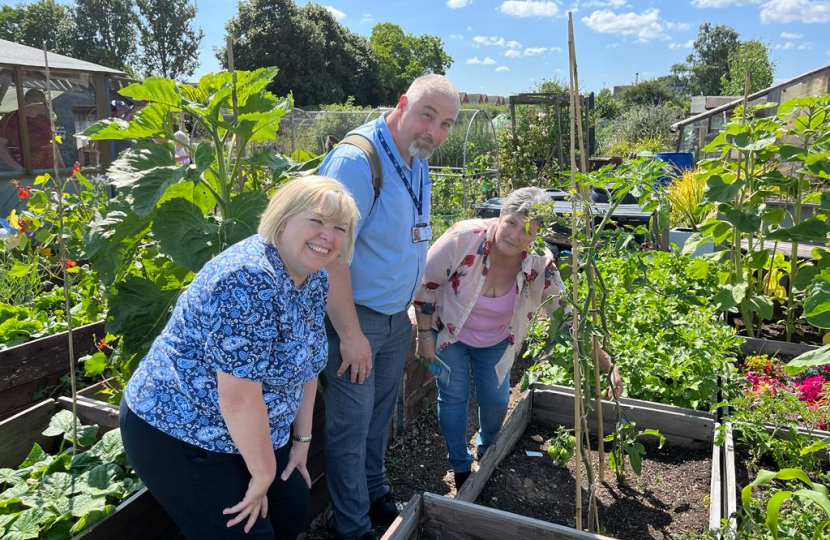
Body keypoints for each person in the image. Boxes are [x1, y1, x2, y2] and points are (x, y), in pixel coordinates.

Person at [119, 175, 359, 540]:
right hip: (186, 431)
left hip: (250, 428)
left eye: (340, 227)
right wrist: (262, 475)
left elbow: (307, 366)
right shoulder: (247, 278)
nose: (328, 235)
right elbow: (237, 397)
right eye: (317, 221)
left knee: (292, 506)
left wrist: (302, 441)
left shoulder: (314, 277)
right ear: (283, 219)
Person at [318, 74, 460, 540]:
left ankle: (375, 493)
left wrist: (413, 316)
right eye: (427, 115)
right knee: (349, 429)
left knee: (379, 419)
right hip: (353, 321)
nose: (434, 132)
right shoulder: (358, 161)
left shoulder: (415, 157)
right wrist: (351, 334)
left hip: (393, 317)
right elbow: (329, 253)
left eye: (446, 124)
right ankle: (353, 528)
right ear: (401, 104)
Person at [412, 187, 623, 488]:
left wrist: (604, 361)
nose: (514, 234)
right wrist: (423, 336)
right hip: (449, 332)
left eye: (527, 230)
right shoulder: (464, 238)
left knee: (497, 401)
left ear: (537, 235)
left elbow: (565, 314)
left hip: (496, 339)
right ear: (500, 215)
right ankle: (459, 466)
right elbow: (425, 285)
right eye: (511, 222)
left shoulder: (538, 263)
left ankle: (487, 448)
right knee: (454, 398)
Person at [0, 88, 63, 171]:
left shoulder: (44, 120)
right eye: (39, 102)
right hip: (25, 172)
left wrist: (61, 166)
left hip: (50, 171)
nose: (43, 106)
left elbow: (53, 144)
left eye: (44, 103)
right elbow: (1, 146)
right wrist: (19, 169)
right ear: (28, 102)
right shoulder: (10, 119)